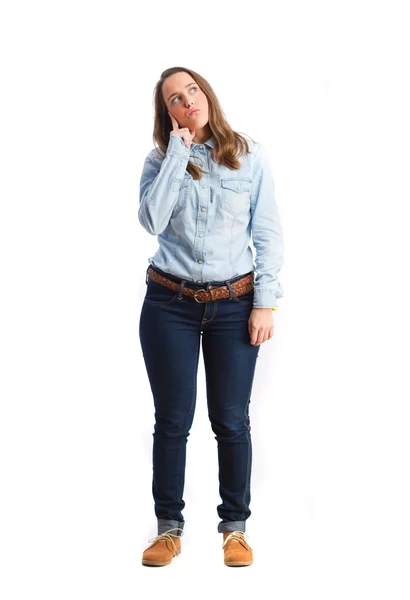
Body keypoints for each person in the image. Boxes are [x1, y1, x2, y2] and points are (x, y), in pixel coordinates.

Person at [138, 66, 284, 567]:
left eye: (192, 90)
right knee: (172, 422)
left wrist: (264, 301)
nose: (187, 101)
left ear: (206, 94)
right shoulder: (159, 161)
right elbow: (152, 221)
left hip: (234, 305)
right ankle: (168, 529)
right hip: (168, 306)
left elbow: (267, 235)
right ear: (168, 113)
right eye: (175, 99)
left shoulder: (248, 156)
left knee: (231, 420)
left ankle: (235, 530)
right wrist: (178, 153)